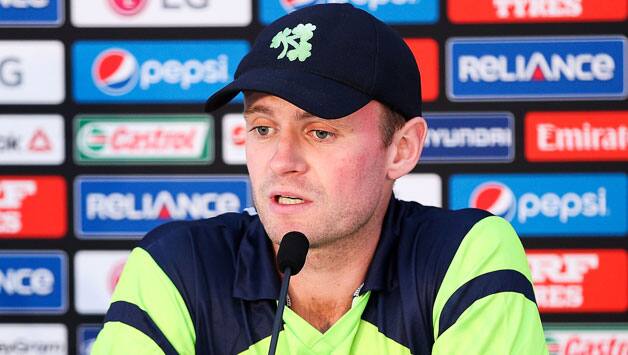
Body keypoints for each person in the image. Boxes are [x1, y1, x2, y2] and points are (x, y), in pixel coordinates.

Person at [93, 4, 547, 354]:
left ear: (402, 148)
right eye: (263, 128)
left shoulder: (463, 257)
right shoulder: (176, 268)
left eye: (320, 132)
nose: (281, 161)